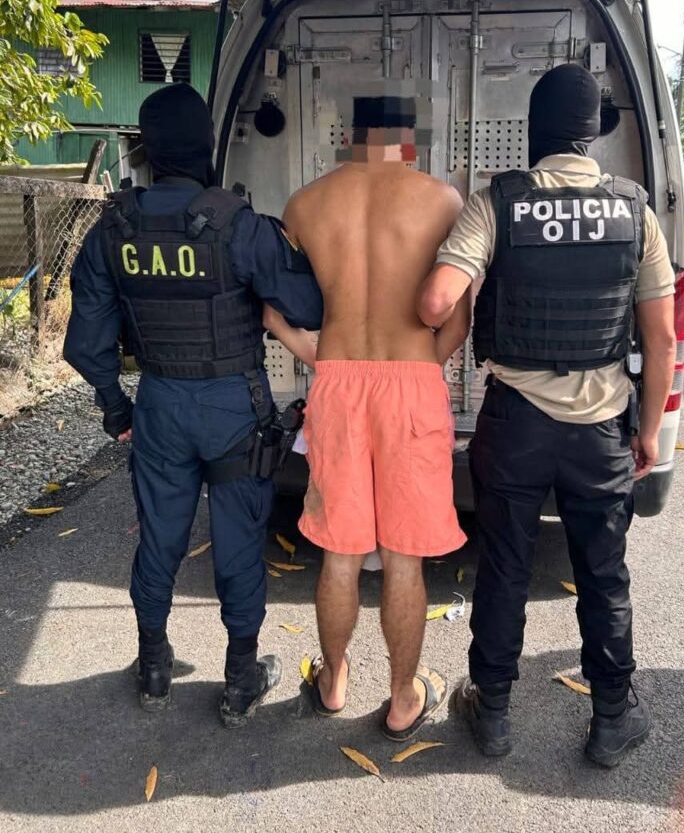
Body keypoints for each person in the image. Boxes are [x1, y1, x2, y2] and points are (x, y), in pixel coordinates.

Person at [418, 64, 677, 766]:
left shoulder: (497, 203)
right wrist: (649, 432)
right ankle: (612, 718)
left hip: (515, 425)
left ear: (534, 130)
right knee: (604, 573)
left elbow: (437, 302)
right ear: (593, 133)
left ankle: (493, 713)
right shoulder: (635, 212)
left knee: (504, 567)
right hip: (602, 429)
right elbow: (660, 340)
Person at [63, 83, 322, 728]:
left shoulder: (112, 227)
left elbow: (87, 345)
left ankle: (153, 666)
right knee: (237, 542)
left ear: (148, 150)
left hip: (158, 405)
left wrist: (115, 408)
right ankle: (240, 678)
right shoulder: (238, 223)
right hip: (233, 407)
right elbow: (308, 307)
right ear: (207, 144)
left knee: (160, 538)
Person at [283, 95, 470, 741]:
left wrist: (311, 349)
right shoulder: (442, 201)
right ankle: (402, 699)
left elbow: (283, 305)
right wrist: (418, 370)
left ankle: (333, 681)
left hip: (337, 381)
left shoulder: (305, 204)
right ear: (408, 141)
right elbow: (456, 324)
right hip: (411, 380)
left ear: (352, 136)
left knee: (339, 553)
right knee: (403, 558)